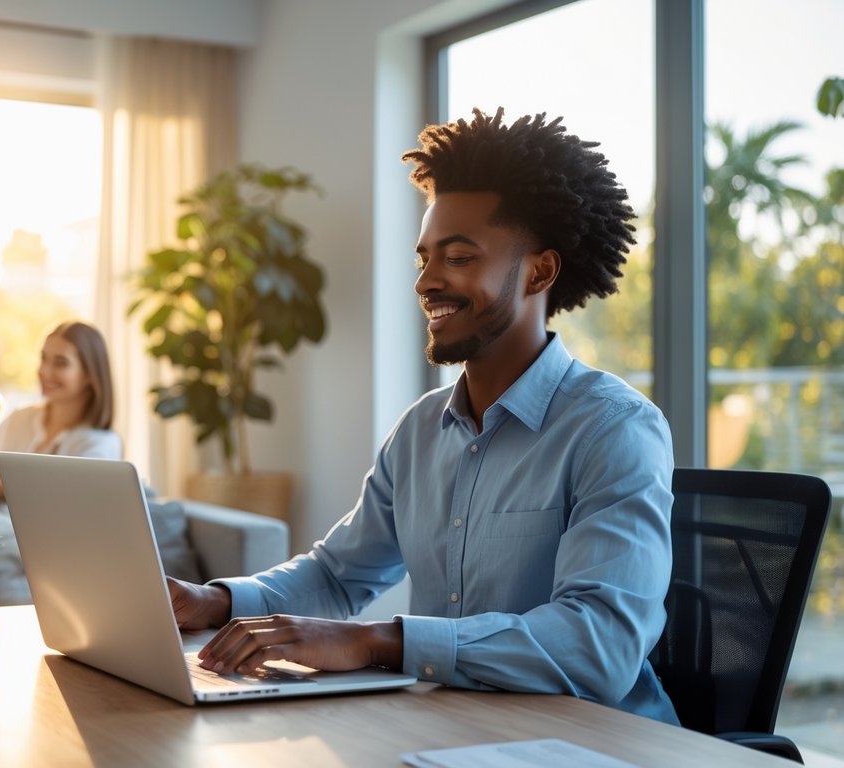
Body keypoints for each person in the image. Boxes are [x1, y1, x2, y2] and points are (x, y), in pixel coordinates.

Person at [167, 108, 679, 724]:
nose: (425, 282)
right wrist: (214, 600)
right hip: (459, 726)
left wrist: (378, 641)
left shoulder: (613, 428)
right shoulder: (420, 429)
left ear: (540, 271)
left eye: (458, 258)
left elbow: (600, 644)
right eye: (424, 259)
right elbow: (338, 575)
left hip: (600, 742)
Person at [0, 320, 122, 500]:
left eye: (61, 363)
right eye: (43, 358)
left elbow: (67, 507)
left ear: (89, 374)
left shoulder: (99, 444)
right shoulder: (20, 418)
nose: (45, 371)